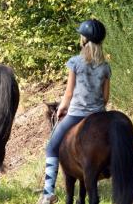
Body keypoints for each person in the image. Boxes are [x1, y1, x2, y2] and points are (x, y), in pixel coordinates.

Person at [38, 19, 111, 204]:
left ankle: (48, 192)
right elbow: (105, 98)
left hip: (77, 113)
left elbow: (69, 93)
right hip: (99, 115)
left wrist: (61, 109)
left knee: (52, 147)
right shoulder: (105, 66)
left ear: (83, 39)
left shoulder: (75, 62)